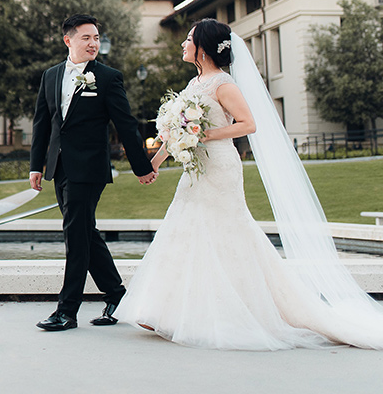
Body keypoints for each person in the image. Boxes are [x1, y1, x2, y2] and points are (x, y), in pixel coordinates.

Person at [116, 18, 383, 350]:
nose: (182, 44)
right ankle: (163, 310)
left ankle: (246, 310)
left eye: (188, 39)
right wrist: (152, 165)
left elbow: (248, 124)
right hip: (197, 170)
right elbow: (175, 134)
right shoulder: (193, 84)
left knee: (229, 233)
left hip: (221, 167)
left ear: (202, 46)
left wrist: (204, 134)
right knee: (182, 228)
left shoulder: (223, 84)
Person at [29, 14, 156, 331]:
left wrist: (141, 166)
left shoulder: (108, 78)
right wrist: (36, 165)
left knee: (75, 233)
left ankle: (66, 310)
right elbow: (43, 124)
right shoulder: (51, 76)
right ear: (68, 40)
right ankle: (117, 295)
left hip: (90, 167)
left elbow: (126, 124)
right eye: (86, 37)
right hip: (59, 167)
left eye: (97, 38)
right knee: (84, 232)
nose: (93, 43)